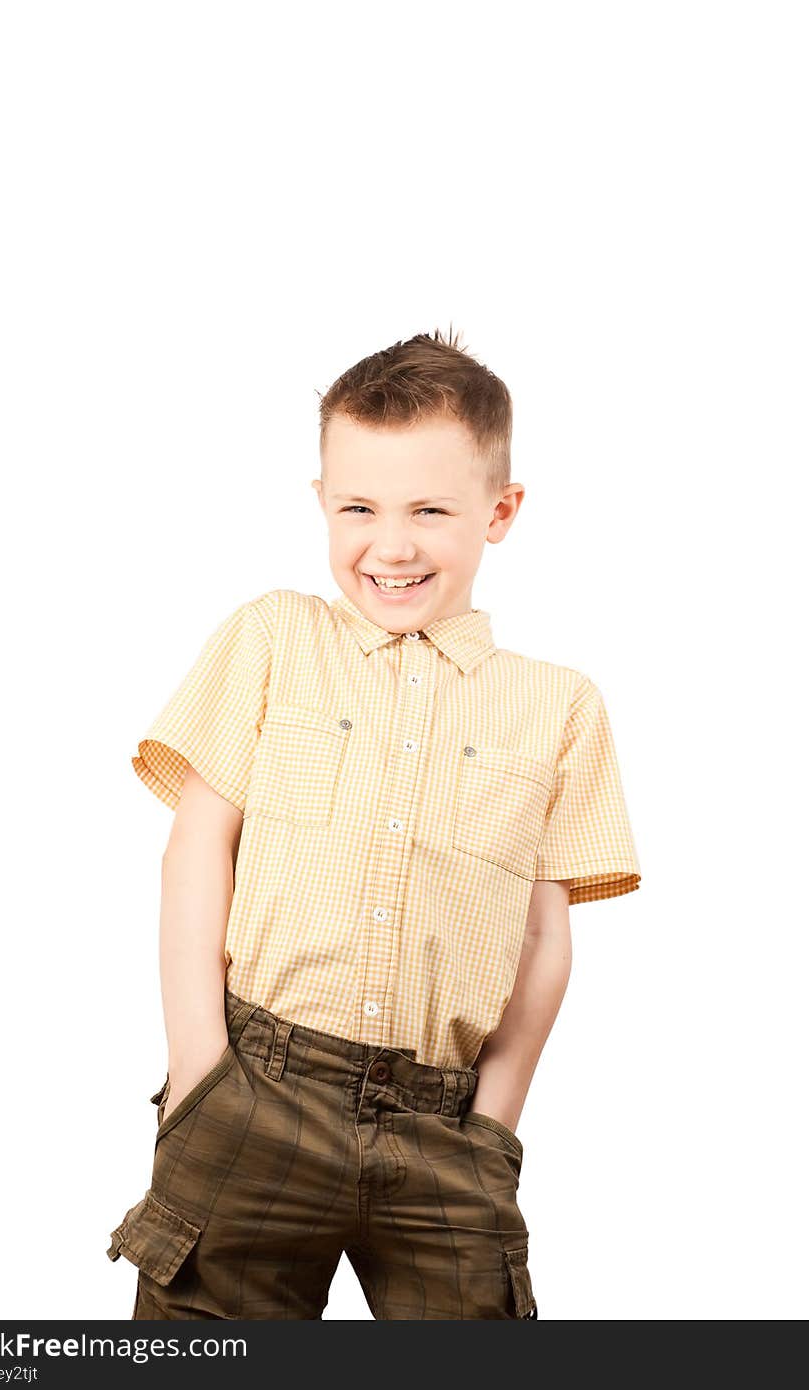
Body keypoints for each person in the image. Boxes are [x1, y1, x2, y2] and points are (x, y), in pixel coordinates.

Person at [106, 327, 641, 1320]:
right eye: (358, 507)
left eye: (429, 510)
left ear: (500, 511)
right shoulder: (273, 637)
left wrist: (493, 1127)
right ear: (321, 502)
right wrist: (199, 1076)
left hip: (445, 1124)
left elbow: (541, 935)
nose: (389, 546)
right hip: (253, 1085)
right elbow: (196, 848)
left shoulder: (560, 706)